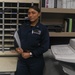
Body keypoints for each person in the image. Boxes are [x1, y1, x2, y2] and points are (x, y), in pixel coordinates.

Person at [14, 6, 50, 75]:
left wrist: (30, 54)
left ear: (39, 14)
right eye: (29, 13)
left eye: (33, 13)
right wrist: (17, 48)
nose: (30, 15)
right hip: (22, 59)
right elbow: (16, 39)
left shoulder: (43, 29)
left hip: (36, 61)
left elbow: (45, 46)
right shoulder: (23, 27)